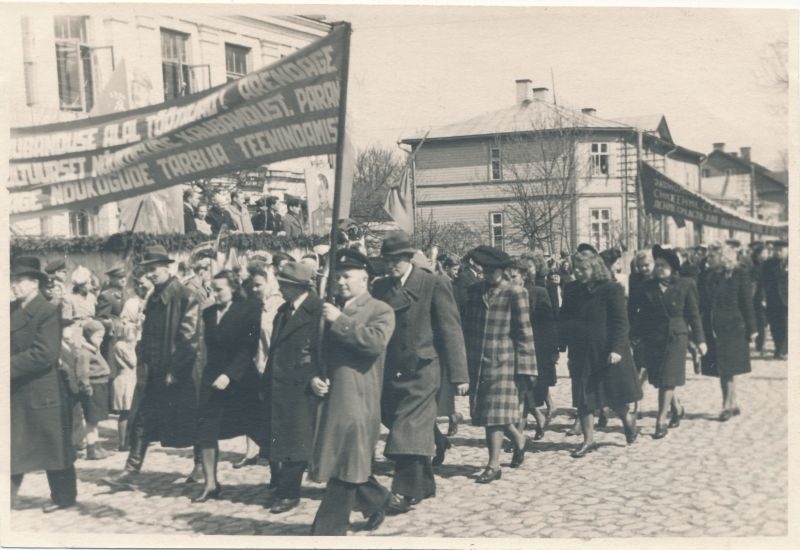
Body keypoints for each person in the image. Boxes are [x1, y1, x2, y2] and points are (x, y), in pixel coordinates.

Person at [372, 231, 468, 513]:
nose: (391, 267)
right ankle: (432, 456)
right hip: (391, 371)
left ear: (409, 258)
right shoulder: (380, 289)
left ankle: (404, 492)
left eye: (397, 261)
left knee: (406, 430)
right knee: (395, 420)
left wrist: (460, 375)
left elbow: (451, 330)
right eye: (387, 261)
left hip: (422, 370)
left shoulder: (432, 284)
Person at [101, 245, 202, 490]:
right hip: (154, 372)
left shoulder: (185, 295)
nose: (151, 274)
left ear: (167, 267)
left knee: (194, 419)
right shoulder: (154, 297)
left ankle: (200, 466)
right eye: (147, 270)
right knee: (142, 419)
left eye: (155, 269)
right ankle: (130, 469)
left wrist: (174, 371)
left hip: (182, 373)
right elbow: (147, 335)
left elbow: (189, 339)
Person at [309, 249, 395, 536]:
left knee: (344, 461)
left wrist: (340, 321)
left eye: (346, 276)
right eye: (337, 277)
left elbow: (373, 343)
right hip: (331, 398)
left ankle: (326, 531)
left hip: (358, 398)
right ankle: (377, 499)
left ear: (364, 278)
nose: (341, 282)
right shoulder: (331, 308)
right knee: (346, 459)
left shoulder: (380, 310)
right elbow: (313, 351)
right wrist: (314, 377)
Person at [461, 246, 536, 483]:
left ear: (503, 270)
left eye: (492, 270)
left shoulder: (516, 293)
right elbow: (468, 326)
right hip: (478, 361)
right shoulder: (475, 291)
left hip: (504, 360)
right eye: (484, 269)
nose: (487, 273)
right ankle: (518, 438)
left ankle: (493, 465)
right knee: (489, 412)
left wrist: (527, 368)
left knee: (494, 415)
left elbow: (525, 333)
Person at [10, 256, 77, 513]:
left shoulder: (48, 310)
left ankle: (64, 497)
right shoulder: (10, 310)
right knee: (13, 445)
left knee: (54, 446)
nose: (14, 284)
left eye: (19, 280)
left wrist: (7, 366)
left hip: (43, 390)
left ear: (34, 283)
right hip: (18, 389)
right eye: (13, 279)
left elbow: (45, 354)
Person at [559, 249, 641, 458]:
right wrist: (562, 342)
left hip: (605, 350)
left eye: (583, 269)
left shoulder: (611, 289)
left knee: (612, 396)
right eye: (575, 268)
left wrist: (616, 349)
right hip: (580, 350)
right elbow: (564, 319)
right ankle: (589, 439)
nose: (578, 272)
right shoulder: (571, 290)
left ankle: (627, 418)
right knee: (582, 397)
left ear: (595, 268)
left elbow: (621, 323)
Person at [192, 270, 261, 502]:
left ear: (233, 288)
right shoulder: (209, 313)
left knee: (258, 425)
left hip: (240, 378)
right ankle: (211, 484)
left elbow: (248, 348)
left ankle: (279, 481)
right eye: (213, 288)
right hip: (212, 377)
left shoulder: (248, 310)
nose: (215, 293)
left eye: (220, 289)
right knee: (205, 430)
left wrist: (229, 375)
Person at [260, 262, 323, 513]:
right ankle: (283, 485)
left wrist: (314, 376)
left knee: (296, 440)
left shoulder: (317, 310)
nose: (280, 288)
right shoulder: (285, 310)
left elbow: (322, 349)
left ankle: (289, 494)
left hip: (303, 385)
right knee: (285, 438)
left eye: (284, 285)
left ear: (298, 287)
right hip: (280, 384)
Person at [636, 246, 706, 439]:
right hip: (653, 338)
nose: (659, 268)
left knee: (667, 379)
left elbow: (693, 314)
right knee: (661, 380)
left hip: (676, 336)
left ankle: (661, 421)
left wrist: (700, 340)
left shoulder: (686, 284)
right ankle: (677, 407)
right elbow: (638, 315)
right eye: (656, 265)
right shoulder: (646, 287)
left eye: (663, 265)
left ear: (673, 267)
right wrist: (634, 336)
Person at [698, 243, 757, 420]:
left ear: (723, 257)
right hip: (713, 327)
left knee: (726, 368)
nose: (708, 259)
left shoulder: (739, 274)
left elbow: (747, 303)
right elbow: (702, 302)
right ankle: (734, 403)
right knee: (724, 367)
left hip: (733, 327)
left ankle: (727, 406)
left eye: (711, 256)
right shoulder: (707, 276)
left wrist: (752, 329)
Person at [509, 258, 558, 441]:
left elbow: (547, 323)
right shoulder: (507, 294)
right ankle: (538, 418)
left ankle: (520, 435)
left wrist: (552, 350)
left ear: (524, 275)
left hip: (536, 348)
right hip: (514, 348)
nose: (510, 279)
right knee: (522, 392)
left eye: (514, 276)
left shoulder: (538, 292)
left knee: (526, 391)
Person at [242, 264, 285, 472]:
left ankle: (274, 458)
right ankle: (253, 451)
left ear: (270, 283)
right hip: (255, 366)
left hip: (271, 368)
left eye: (259, 285)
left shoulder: (278, 306)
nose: (255, 289)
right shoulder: (254, 305)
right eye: (253, 285)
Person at [74, 320, 113, 460]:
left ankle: (97, 446)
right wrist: (86, 387)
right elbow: (82, 373)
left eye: (102, 337)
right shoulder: (85, 353)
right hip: (93, 388)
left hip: (100, 386)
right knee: (91, 420)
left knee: (96, 420)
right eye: (98, 336)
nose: (100, 339)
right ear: (88, 335)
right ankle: (91, 449)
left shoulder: (94, 350)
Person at [627, 249, 655, 418]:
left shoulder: (660, 278)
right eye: (640, 266)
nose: (644, 268)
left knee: (660, 372)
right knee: (640, 367)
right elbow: (631, 305)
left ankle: (675, 406)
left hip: (658, 328)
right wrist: (630, 329)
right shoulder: (635, 279)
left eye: (647, 265)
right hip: (641, 327)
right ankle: (637, 404)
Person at [761, 240, 788, 359]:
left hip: (788, 299)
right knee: (775, 326)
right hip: (773, 299)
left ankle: (783, 350)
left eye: (780, 250)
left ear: (787, 250)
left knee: (786, 325)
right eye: (775, 250)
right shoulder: (768, 264)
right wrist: (763, 297)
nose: (777, 252)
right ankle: (778, 348)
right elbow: (762, 282)